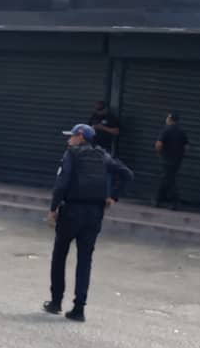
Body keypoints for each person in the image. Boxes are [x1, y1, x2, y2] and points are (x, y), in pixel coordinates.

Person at [44, 123, 133, 322]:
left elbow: (61, 184)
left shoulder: (72, 155)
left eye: (72, 136)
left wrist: (52, 209)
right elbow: (127, 174)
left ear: (81, 137)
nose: (69, 140)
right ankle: (79, 309)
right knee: (85, 261)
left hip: (72, 211)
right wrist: (113, 197)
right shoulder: (103, 156)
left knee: (60, 255)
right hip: (94, 214)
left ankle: (56, 301)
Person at [155, 111, 189, 210]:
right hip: (177, 160)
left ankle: (174, 202)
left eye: (167, 117)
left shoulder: (166, 130)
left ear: (170, 119)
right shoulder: (182, 131)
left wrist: (159, 153)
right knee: (166, 178)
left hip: (167, 158)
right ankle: (159, 199)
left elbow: (158, 144)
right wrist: (180, 155)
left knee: (169, 180)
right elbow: (186, 147)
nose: (166, 119)